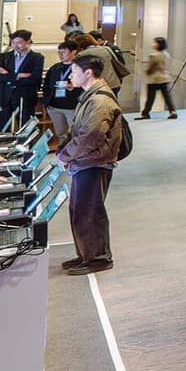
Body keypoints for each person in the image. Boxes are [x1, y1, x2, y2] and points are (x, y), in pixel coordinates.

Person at [59, 52, 124, 275]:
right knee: (80, 210)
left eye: (74, 72)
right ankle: (86, 254)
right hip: (86, 161)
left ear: (88, 73)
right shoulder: (90, 95)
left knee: (90, 211)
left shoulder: (99, 100)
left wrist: (65, 155)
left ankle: (98, 259)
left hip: (94, 162)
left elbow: (91, 136)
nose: (70, 76)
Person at [0, 29, 43, 131]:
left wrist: (8, 76)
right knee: (0, 126)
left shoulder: (37, 58)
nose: (15, 45)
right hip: (3, 96)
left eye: (19, 42)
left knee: (25, 126)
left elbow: (34, 79)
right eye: (13, 43)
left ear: (28, 42)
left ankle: (26, 146)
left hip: (24, 97)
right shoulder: (4, 57)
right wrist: (17, 76)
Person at [43, 41, 83, 139]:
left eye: (63, 52)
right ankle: (63, 153)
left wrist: (73, 87)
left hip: (72, 107)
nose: (60, 55)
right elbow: (46, 86)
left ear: (73, 52)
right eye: (59, 52)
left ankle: (74, 154)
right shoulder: (55, 68)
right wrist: (47, 102)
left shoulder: (80, 68)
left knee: (76, 134)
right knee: (61, 134)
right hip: (55, 107)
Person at [137, 36, 176, 120]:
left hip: (154, 79)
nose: (153, 44)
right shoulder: (166, 54)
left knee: (150, 97)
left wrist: (146, 71)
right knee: (166, 96)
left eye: (154, 42)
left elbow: (150, 68)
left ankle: (145, 113)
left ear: (158, 44)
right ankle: (172, 111)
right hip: (164, 78)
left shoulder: (153, 56)